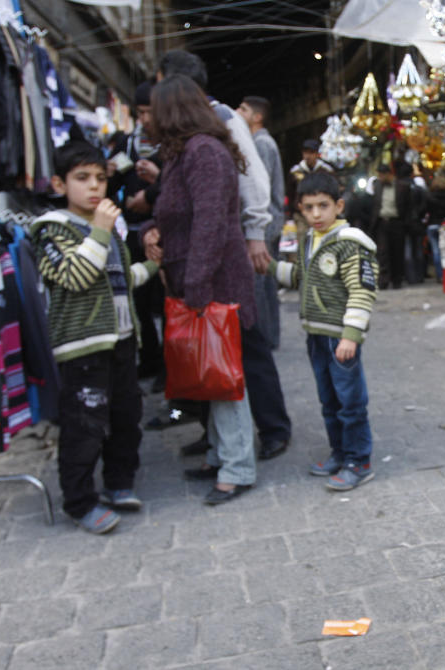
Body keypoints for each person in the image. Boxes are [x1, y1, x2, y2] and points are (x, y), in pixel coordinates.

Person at [148, 51, 292, 462]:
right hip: (204, 265)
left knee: (245, 342)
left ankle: (270, 428)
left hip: (227, 260)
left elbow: (250, 183)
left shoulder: (218, 126)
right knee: (217, 351)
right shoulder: (186, 142)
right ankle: (221, 440)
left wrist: (254, 233)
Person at [31, 141, 161, 533]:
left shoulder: (109, 231)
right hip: (83, 346)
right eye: (82, 178)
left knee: (126, 416)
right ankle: (79, 501)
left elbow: (121, 281)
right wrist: (101, 231)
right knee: (85, 425)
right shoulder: (51, 230)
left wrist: (153, 267)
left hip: (121, 342)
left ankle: (119, 483)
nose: (94, 187)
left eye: (101, 178)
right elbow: (75, 275)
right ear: (59, 183)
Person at [144, 74, 258, 505]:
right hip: (196, 280)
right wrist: (151, 234)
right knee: (209, 375)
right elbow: (176, 216)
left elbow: (211, 225)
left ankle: (238, 468)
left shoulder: (204, 152)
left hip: (214, 281)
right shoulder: (182, 153)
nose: (148, 118)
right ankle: (219, 455)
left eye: (154, 109)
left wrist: (195, 286)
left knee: (224, 377)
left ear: (171, 110)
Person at [269, 172, 379, 491]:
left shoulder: (350, 244)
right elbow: (300, 278)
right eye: (308, 208)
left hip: (340, 338)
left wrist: (351, 335)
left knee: (350, 402)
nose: (316, 214)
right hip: (315, 335)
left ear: (338, 206)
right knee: (328, 400)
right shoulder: (309, 241)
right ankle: (340, 452)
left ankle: (359, 462)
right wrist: (268, 266)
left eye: (323, 206)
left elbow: (362, 291)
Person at [106, 79, 165, 385]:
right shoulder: (127, 145)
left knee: (167, 302)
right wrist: (110, 175)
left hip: (161, 235)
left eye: (149, 111)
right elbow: (110, 186)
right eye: (140, 112)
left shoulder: (170, 146)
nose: (144, 119)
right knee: (139, 302)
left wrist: (153, 189)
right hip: (132, 233)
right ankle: (151, 358)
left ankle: (170, 367)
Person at [237, 95, 285, 350]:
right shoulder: (259, 142)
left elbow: (259, 187)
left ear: (257, 117)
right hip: (269, 221)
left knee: (260, 283)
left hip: (265, 223)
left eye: (243, 109)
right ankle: (269, 337)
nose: (237, 112)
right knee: (265, 282)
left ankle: (263, 338)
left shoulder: (261, 144)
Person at [369, 162, 413, 289]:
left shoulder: (402, 187)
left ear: (389, 174)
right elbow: (375, 205)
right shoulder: (377, 186)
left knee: (397, 252)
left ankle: (397, 279)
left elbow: (408, 207)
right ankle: (383, 280)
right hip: (382, 222)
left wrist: (406, 223)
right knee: (383, 252)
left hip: (397, 223)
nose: (381, 178)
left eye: (382, 175)